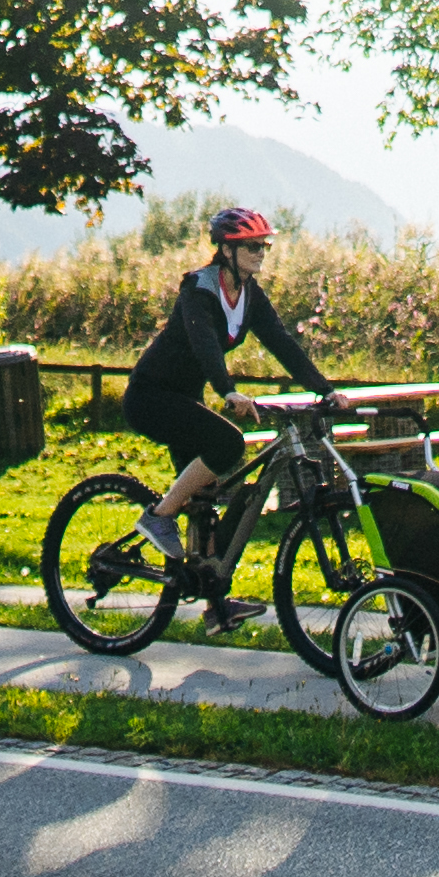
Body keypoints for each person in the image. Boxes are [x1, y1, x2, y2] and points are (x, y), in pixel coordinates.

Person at [122, 203, 329, 596]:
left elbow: (283, 344)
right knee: (228, 444)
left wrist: (325, 389)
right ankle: (159, 516)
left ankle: (213, 601)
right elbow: (204, 345)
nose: (260, 254)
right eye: (252, 247)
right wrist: (227, 389)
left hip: (184, 400)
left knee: (206, 503)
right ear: (227, 250)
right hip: (151, 397)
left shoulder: (250, 295)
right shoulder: (198, 289)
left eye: (264, 247)